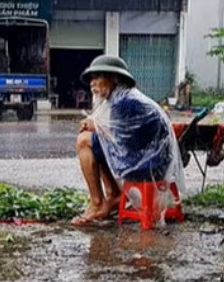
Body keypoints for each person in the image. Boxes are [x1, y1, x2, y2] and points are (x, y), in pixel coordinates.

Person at [72, 55, 184, 227]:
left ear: (115, 79)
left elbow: (123, 141)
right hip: (152, 161)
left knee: (83, 141)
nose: (92, 83)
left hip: (148, 165)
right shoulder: (124, 98)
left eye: (98, 77)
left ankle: (97, 203)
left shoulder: (125, 102)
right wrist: (97, 127)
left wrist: (97, 127)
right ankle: (113, 196)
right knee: (96, 142)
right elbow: (122, 138)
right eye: (91, 79)